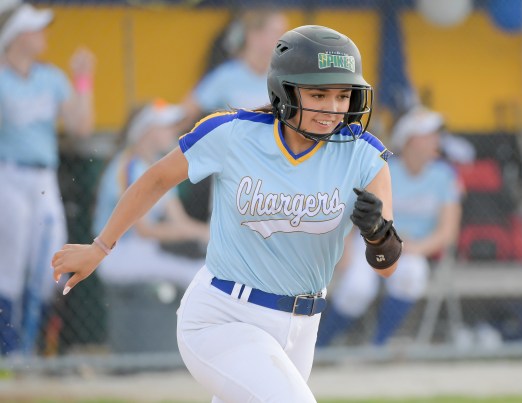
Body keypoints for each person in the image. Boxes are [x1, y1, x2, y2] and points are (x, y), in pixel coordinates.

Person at [52, 25, 402, 401]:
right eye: (318, 94)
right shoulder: (233, 133)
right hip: (225, 315)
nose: (332, 108)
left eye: (342, 95)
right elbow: (155, 180)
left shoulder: (364, 154)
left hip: (303, 326)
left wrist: (377, 232)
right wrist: (100, 247)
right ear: (284, 91)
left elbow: (387, 265)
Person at [317, 107, 462, 347]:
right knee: (357, 288)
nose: (435, 141)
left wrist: (416, 247)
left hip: (412, 247)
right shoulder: (381, 167)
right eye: (427, 135)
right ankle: (321, 346)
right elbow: (351, 212)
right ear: (409, 141)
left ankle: (377, 346)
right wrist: (345, 250)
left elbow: (448, 232)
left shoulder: (444, 175)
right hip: (368, 240)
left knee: (412, 275)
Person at [0, 0, 95, 356]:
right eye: (34, 29)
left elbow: (81, 127)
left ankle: (34, 351)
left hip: (44, 178)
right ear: (15, 35)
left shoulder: (50, 77)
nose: (42, 35)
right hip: (8, 174)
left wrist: (84, 79)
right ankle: (9, 351)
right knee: (9, 264)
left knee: (49, 265)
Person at [92, 99, 209, 289]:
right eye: (166, 126)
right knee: (197, 275)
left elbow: (179, 222)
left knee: (206, 269)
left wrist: (211, 234)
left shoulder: (158, 167)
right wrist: (202, 234)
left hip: (144, 249)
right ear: (147, 131)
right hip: (116, 253)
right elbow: (144, 231)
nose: (174, 130)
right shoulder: (128, 166)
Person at [181, 8, 288, 123]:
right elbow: (186, 113)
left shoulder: (286, 77)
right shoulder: (226, 75)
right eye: (276, 33)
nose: (284, 41)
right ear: (253, 35)